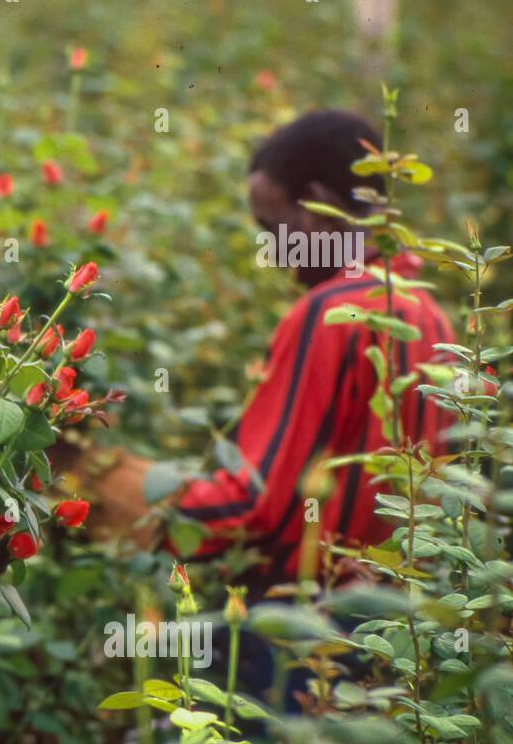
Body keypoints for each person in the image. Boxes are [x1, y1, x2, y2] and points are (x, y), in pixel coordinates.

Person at [84, 110, 456, 593]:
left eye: (272, 226)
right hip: (398, 635)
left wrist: (90, 479)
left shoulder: (328, 315)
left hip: (308, 627)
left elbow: (252, 508)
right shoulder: (431, 315)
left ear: (319, 205)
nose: (273, 253)